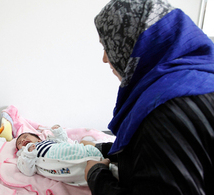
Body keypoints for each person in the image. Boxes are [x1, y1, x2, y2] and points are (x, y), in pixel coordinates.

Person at [84, 0, 214, 194]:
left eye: (108, 46)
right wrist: (104, 148)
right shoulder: (197, 82)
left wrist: (95, 176)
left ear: (131, 42)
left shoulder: (165, 109)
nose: (105, 58)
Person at [15, 125, 107, 186]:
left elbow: (63, 141)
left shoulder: (48, 140)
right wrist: (28, 153)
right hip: (58, 161)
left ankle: (105, 158)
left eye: (25, 136)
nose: (23, 140)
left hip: (68, 149)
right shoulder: (24, 155)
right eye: (19, 142)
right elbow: (28, 170)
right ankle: (103, 165)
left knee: (91, 150)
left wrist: (58, 132)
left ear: (38, 139)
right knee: (88, 167)